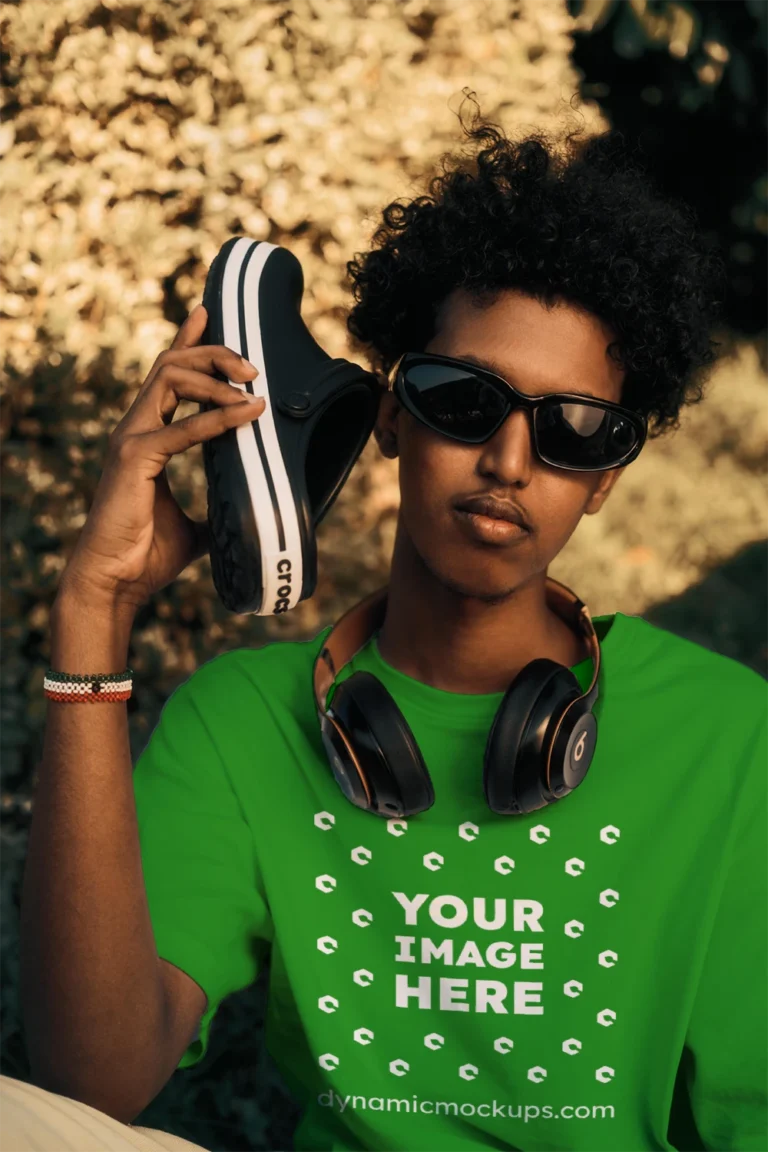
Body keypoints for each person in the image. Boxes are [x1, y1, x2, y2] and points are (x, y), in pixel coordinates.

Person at [8, 96, 768, 1152]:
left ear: (604, 480)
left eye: (575, 430)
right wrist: (93, 611)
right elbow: (88, 1083)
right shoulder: (243, 722)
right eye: (464, 398)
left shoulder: (732, 739)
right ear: (392, 414)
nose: (509, 461)